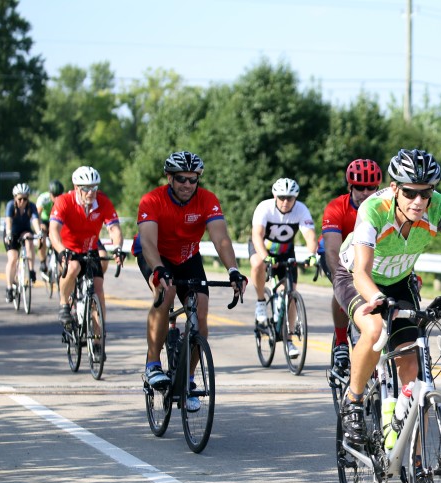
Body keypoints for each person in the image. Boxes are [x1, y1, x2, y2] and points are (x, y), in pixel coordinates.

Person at [334, 148, 441, 483]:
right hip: (359, 277)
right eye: (410, 192)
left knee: (413, 375)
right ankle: (353, 401)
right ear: (394, 188)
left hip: (400, 281)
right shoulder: (374, 209)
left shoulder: (440, 206)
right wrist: (375, 298)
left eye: (426, 191)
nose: (419, 200)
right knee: (374, 331)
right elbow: (360, 270)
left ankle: (416, 466)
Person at [133, 151, 247, 411]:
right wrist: (159, 269)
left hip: (187, 257)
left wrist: (233, 270)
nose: (187, 185)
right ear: (169, 178)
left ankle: (188, 379)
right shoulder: (152, 199)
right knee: (166, 292)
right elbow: (148, 241)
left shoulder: (207, 200)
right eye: (181, 179)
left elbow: (221, 238)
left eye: (193, 180)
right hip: (155, 255)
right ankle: (152, 364)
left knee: (201, 312)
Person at [320, 159, 383, 372]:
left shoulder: (385, 208)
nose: (366, 192)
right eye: (360, 187)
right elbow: (332, 249)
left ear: (378, 188)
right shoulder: (336, 207)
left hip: (370, 259)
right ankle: (340, 342)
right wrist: (342, 278)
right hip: (339, 257)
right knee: (341, 292)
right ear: (350, 187)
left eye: (371, 187)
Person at [249, 177, 318, 358]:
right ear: (275, 195)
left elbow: (310, 236)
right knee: (257, 264)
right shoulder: (265, 207)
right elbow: (257, 235)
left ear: (295, 198)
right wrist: (265, 257)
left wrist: (312, 254)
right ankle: (260, 302)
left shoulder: (301, 209)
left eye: (290, 198)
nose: (285, 202)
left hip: (286, 252)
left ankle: (288, 339)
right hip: (263, 248)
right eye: (281, 197)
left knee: (292, 294)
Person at [49, 167, 124, 327]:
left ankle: (98, 343)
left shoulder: (103, 201)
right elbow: (53, 230)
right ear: (76, 188)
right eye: (86, 188)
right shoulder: (64, 201)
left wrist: (118, 247)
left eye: (94, 188)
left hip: (90, 247)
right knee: (73, 267)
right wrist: (61, 250)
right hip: (68, 248)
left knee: (98, 288)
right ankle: (64, 304)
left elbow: (114, 228)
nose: (91, 192)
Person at [3, 183, 43, 302]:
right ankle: (9, 288)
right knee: (13, 258)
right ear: (15, 198)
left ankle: (31, 270)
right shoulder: (11, 205)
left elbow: (35, 220)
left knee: (29, 237)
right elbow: (8, 221)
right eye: (20, 199)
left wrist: (39, 232)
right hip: (12, 232)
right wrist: (9, 233)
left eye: (25, 199)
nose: (22, 201)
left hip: (24, 231)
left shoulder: (31, 206)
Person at [35, 179, 65, 277]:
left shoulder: (64, 198)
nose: (56, 198)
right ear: (50, 193)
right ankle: (43, 262)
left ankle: (62, 267)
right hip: (45, 221)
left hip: (57, 221)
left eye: (58, 195)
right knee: (41, 236)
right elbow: (37, 215)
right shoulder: (43, 198)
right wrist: (40, 226)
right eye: (54, 196)